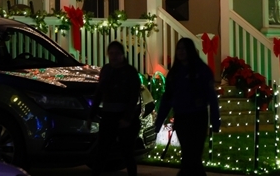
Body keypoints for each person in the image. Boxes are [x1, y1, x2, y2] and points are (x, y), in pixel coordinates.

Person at [154, 38, 220, 176]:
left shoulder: (201, 70)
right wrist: (159, 121)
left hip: (197, 118)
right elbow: (168, 98)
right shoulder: (174, 73)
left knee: (193, 156)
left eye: (184, 49)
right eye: (179, 49)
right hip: (182, 118)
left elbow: (211, 96)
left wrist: (215, 120)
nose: (181, 52)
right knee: (188, 156)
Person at [90, 40, 140, 176]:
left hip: (124, 117)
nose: (114, 56)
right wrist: (92, 113)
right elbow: (99, 92)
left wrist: (127, 118)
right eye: (111, 53)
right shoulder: (106, 70)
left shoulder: (129, 72)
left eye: (117, 53)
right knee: (102, 151)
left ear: (123, 55)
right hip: (108, 115)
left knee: (127, 152)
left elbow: (133, 96)